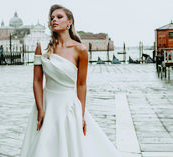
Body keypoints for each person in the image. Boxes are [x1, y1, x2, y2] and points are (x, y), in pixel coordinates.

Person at [20, 4, 122, 157]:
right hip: (47, 104)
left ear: (70, 22)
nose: (54, 20)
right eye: (52, 18)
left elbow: (81, 85)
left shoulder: (80, 49)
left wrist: (80, 115)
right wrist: (41, 109)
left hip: (69, 105)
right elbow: (37, 81)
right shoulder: (42, 47)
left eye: (59, 17)